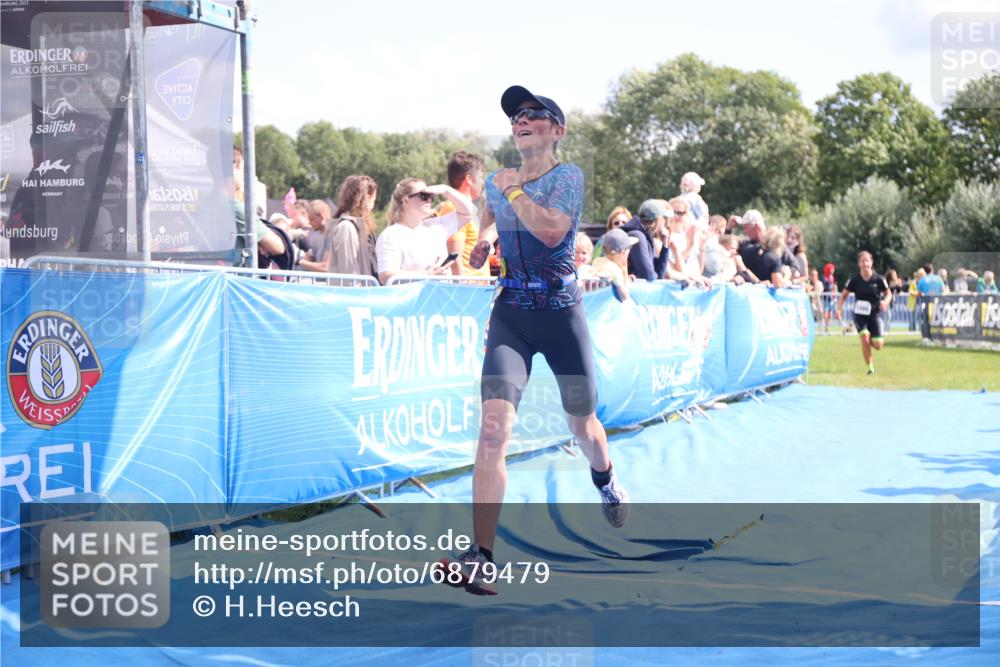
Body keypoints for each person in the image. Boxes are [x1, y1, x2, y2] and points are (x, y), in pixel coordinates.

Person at [455, 85, 630, 594]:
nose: (522, 120)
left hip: (560, 313)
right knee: (492, 432)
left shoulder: (566, 178)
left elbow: (553, 231)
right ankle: (481, 558)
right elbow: (489, 210)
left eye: (534, 114)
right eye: (516, 116)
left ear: (557, 129)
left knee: (584, 424)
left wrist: (510, 191)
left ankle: (606, 480)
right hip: (511, 313)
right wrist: (485, 236)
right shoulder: (498, 182)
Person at [374, 178, 474, 284]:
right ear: (406, 200)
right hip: (413, 299)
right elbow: (386, 276)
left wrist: (446, 190)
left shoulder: (437, 226)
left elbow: (468, 212)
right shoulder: (390, 235)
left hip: (442, 297)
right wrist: (427, 274)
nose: (429, 200)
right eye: (424, 195)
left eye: (431, 196)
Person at [837, 250, 891, 375]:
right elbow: (843, 296)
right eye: (862, 261)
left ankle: (872, 340)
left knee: (878, 345)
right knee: (865, 338)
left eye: (867, 261)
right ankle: (870, 368)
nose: (865, 264)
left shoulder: (879, 279)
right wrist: (839, 309)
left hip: (875, 314)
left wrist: (885, 302)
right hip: (860, 315)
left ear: (871, 263)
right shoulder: (854, 280)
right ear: (859, 264)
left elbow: (888, 293)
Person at [442, 151, 490, 277]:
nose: (482, 183)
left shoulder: (468, 209)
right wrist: (463, 290)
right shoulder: (454, 207)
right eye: (480, 177)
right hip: (468, 290)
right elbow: (454, 257)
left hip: (478, 289)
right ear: (469, 179)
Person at [326, 174, 378, 277]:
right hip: (354, 291)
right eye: (373, 200)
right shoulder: (346, 227)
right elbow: (349, 272)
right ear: (367, 196)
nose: (373, 204)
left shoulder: (356, 225)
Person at [620, 199, 670, 281]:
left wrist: (665, 245)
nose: (665, 222)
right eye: (664, 218)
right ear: (658, 219)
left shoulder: (645, 235)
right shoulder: (637, 236)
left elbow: (659, 274)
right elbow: (649, 276)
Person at [592, 228, 637, 300]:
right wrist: (625, 271)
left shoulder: (597, 261)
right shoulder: (615, 270)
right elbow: (624, 297)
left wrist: (625, 277)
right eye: (628, 248)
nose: (629, 251)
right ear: (622, 252)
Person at [297, 200, 332, 272]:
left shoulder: (332, 235)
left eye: (312, 219)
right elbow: (310, 258)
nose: (309, 223)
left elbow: (325, 267)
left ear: (321, 217)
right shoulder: (316, 235)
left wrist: (299, 261)